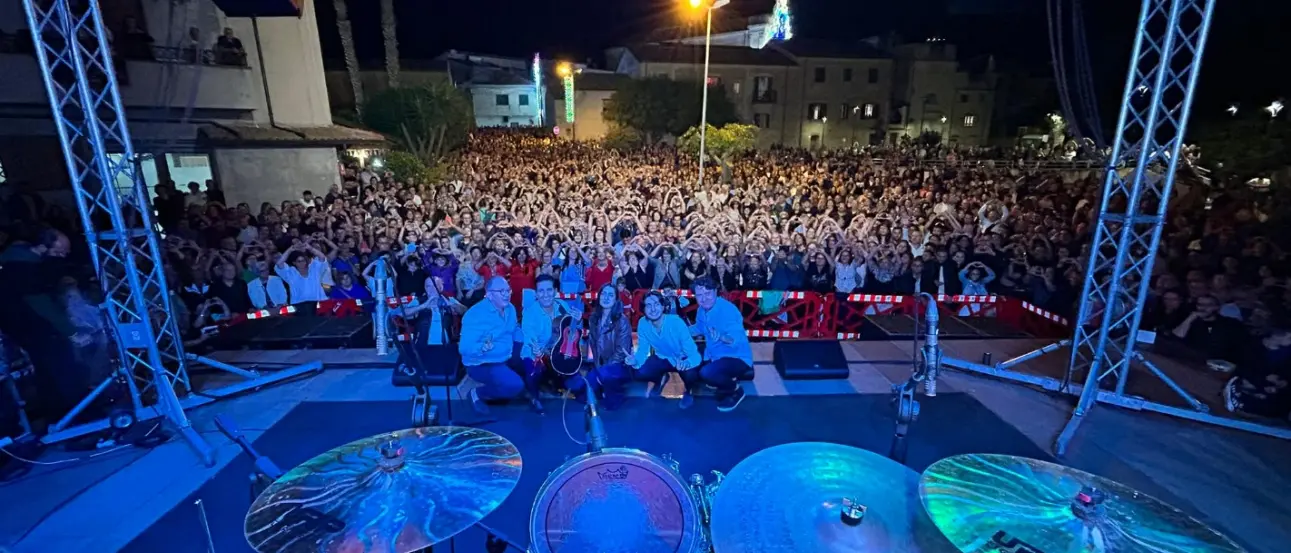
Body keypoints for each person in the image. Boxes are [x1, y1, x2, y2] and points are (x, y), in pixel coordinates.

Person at [459, 276, 525, 413]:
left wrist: (528, 343)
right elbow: (464, 348)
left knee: (534, 362)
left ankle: (507, 385)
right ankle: (477, 393)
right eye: (501, 291)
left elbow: (514, 330)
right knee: (515, 385)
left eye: (508, 290)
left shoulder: (510, 308)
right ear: (489, 295)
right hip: (484, 362)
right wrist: (482, 348)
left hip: (507, 354)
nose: (507, 294)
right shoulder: (475, 315)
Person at [631, 291, 702, 408]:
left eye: (656, 304)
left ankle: (688, 391)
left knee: (691, 373)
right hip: (662, 357)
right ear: (643, 309)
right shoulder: (642, 323)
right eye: (648, 305)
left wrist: (686, 363)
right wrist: (635, 361)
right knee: (640, 371)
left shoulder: (676, 322)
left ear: (663, 306)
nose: (653, 309)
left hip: (682, 358)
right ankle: (659, 380)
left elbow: (695, 355)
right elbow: (643, 351)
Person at [690, 277, 752, 412]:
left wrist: (722, 337)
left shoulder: (728, 310)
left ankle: (734, 389)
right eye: (699, 295)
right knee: (691, 363)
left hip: (737, 357)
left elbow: (736, 338)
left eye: (707, 294)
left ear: (715, 291)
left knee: (706, 373)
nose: (704, 299)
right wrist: (681, 331)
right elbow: (699, 328)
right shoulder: (701, 310)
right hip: (714, 354)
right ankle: (720, 378)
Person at [519, 275, 572, 413]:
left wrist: (576, 322)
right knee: (533, 372)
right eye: (541, 291)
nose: (545, 295)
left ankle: (553, 383)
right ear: (536, 293)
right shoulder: (529, 312)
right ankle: (534, 397)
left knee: (573, 378)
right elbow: (529, 337)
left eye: (549, 290)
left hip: (556, 351)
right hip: (535, 351)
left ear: (555, 291)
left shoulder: (563, 306)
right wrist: (536, 349)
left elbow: (569, 330)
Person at [580, 282, 633, 409]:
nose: (606, 297)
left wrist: (602, 371)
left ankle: (617, 394)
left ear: (616, 299)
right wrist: (598, 369)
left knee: (606, 377)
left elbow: (621, 352)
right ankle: (602, 388)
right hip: (600, 364)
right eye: (603, 294)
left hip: (619, 365)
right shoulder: (594, 318)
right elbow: (593, 345)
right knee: (582, 394)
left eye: (610, 295)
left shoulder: (622, 320)